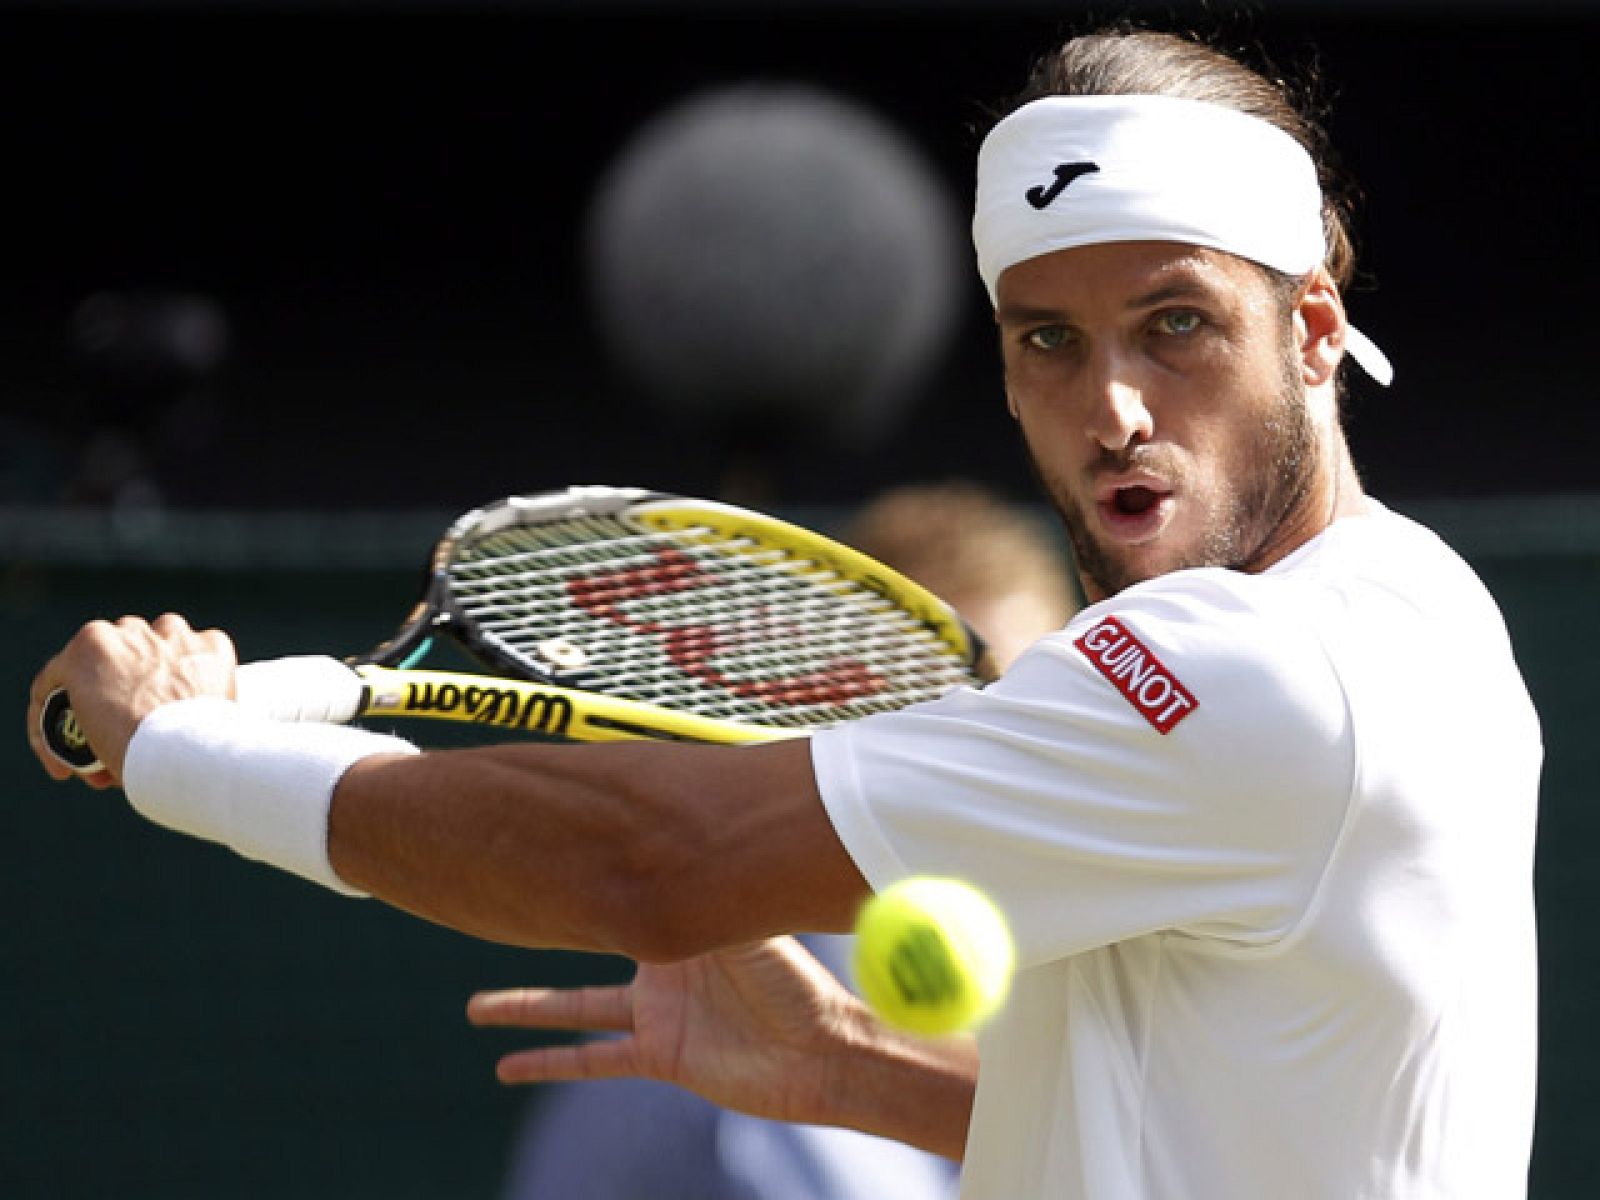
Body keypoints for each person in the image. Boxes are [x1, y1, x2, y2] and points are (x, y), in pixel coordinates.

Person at [27, 26, 1543, 1199]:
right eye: (1050, 342)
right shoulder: (1429, 614)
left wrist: (180, 759)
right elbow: (1234, 1135)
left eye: (1176, 324)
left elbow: (653, 864)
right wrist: (858, 1064)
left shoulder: (1254, 668)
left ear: (1316, 334)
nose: (1116, 407)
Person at [495, 481, 1074, 1200]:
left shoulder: (1126, 979)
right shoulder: (715, 1047)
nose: (979, 753)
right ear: (828, 708)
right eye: (932, 711)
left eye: (1017, 707)